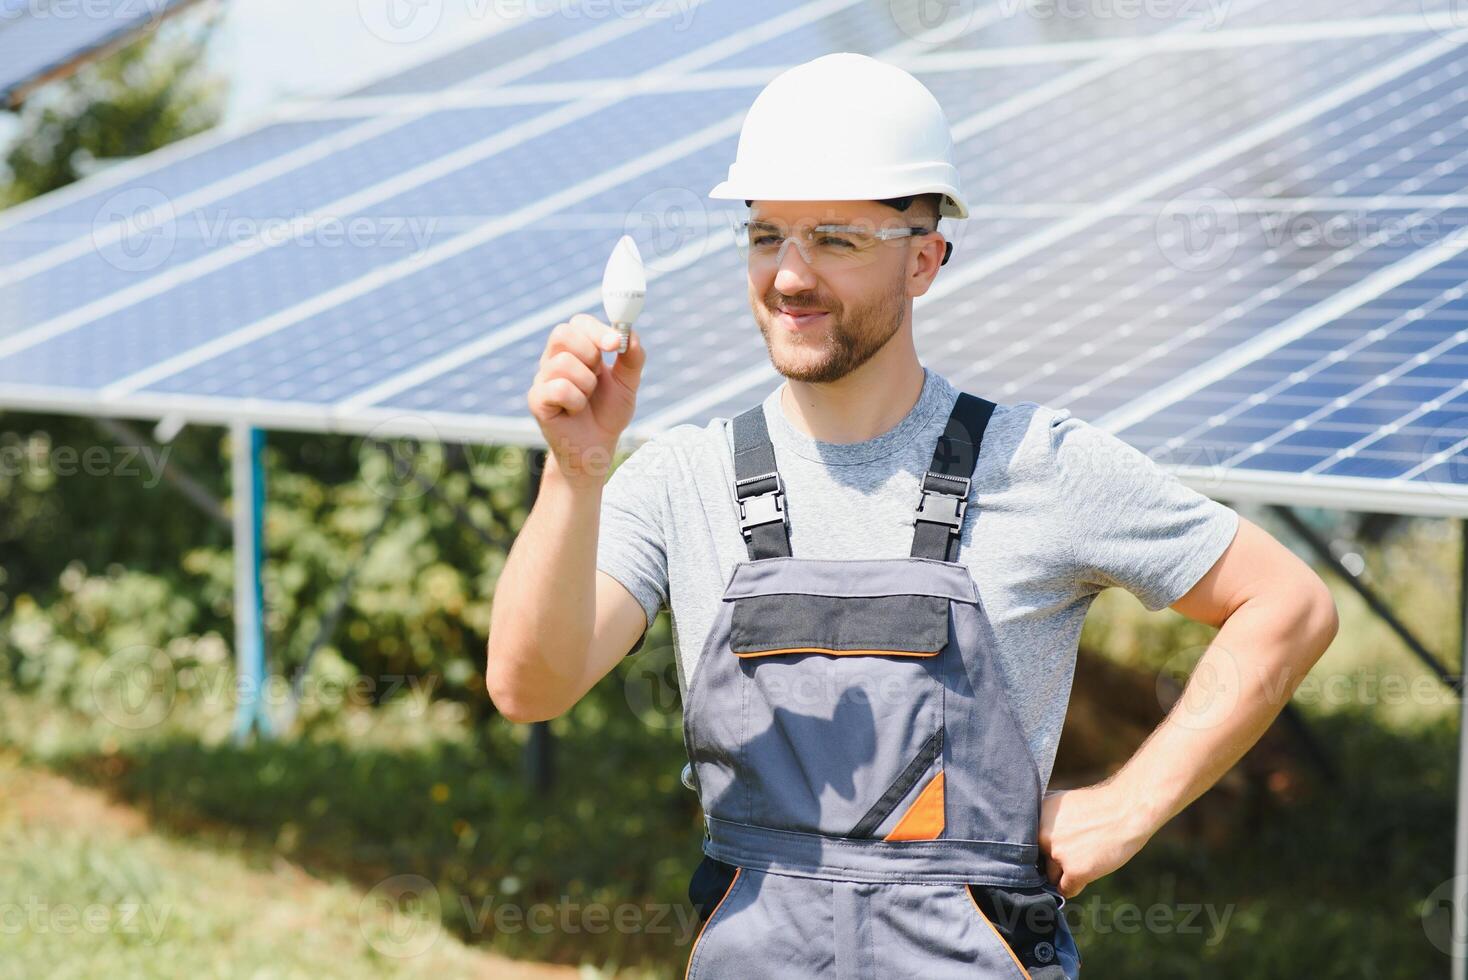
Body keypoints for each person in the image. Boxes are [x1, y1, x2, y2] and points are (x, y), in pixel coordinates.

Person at [487, 52, 1339, 979]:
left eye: (837, 240)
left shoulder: (1040, 463)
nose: (789, 276)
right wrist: (575, 474)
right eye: (767, 235)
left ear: (926, 257)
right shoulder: (682, 480)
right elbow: (530, 688)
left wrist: (1128, 805)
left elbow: (1287, 606)